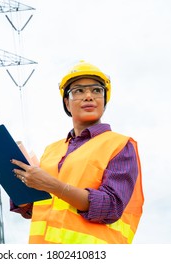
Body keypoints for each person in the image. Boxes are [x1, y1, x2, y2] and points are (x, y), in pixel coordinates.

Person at [10, 60, 144, 244]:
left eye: (96, 90)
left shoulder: (120, 145)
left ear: (104, 100)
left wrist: (52, 185)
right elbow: (35, 209)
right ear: (66, 102)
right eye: (78, 91)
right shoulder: (51, 151)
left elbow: (111, 207)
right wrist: (20, 186)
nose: (89, 96)